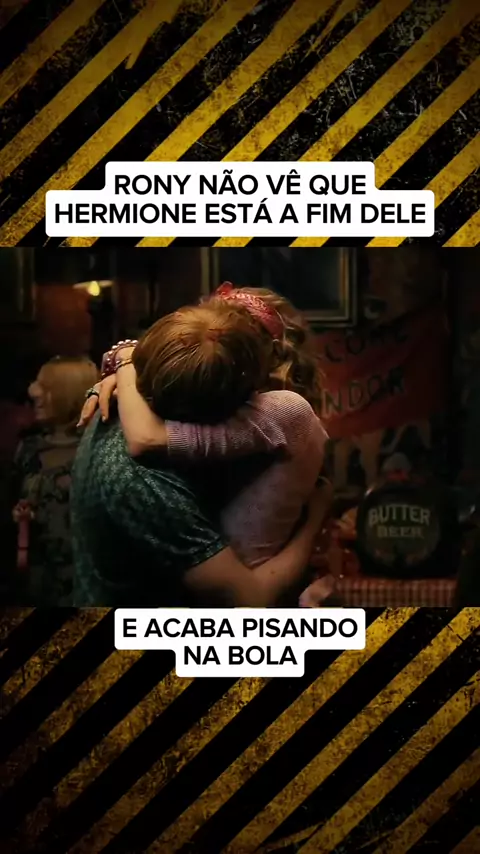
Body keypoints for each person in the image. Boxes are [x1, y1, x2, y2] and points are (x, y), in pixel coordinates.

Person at [72, 299, 332, 607]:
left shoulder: (119, 409)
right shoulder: (149, 478)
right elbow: (248, 599)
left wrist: (125, 361)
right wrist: (316, 517)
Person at [10, 356, 98, 606]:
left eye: (46, 387)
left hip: (83, 585)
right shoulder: (29, 448)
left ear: (70, 395)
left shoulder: (97, 449)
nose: (33, 391)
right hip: (37, 581)